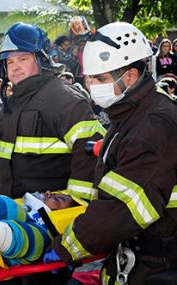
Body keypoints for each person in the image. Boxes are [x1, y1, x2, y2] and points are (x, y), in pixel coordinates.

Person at [50, 22, 177, 285]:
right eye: (88, 77)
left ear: (130, 77)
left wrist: (64, 247)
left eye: (99, 79)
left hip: (157, 267)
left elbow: (123, 207)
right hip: (140, 257)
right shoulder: (133, 112)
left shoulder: (153, 125)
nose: (90, 84)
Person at [0, 23, 104, 203]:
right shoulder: (12, 102)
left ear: (42, 60)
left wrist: (74, 201)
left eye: (23, 59)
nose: (15, 67)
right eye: (10, 61)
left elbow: (89, 152)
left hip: (49, 218)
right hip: (12, 210)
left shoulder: (64, 98)